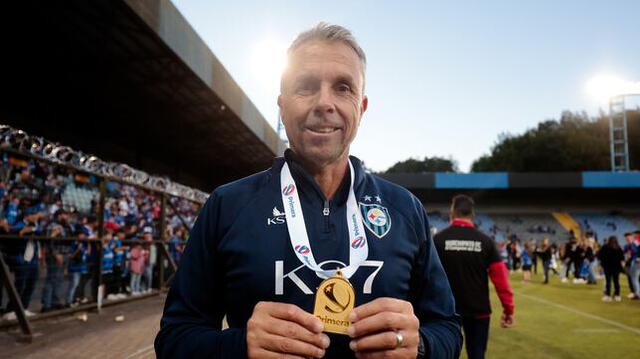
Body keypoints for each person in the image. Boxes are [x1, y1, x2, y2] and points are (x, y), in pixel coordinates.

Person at [155, 23, 461, 359]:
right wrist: (238, 346)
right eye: (306, 87)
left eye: (343, 88)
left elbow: (446, 326)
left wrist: (421, 346)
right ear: (282, 106)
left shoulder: (405, 208)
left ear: (362, 106)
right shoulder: (227, 205)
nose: (324, 103)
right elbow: (174, 338)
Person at [433, 195, 514, 359]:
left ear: (452, 211)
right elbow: (501, 280)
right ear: (473, 214)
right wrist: (508, 309)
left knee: (442, 354)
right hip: (478, 309)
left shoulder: (438, 240)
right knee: (477, 354)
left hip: (445, 309)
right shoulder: (486, 241)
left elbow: (425, 276)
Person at [597, 236, 624, 302]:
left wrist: (601, 265)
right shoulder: (618, 248)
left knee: (608, 282)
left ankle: (608, 295)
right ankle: (617, 295)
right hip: (616, 267)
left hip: (607, 267)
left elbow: (600, 256)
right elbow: (622, 258)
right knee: (616, 282)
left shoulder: (605, 247)